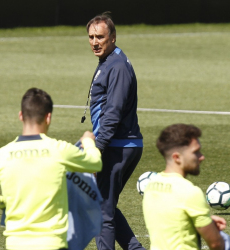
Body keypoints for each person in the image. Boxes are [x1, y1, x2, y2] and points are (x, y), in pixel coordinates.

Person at [0, 88, 102, 250]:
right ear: (48, 117)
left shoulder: (1, 155)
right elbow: (95, 163)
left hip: (15, 244)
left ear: (21, 116)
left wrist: (0, 201)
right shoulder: (59, 150)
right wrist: (88, 141)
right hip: (52, 244)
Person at [85, 12, 144, 250]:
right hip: (120, 144)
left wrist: (98, 148)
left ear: (113, 37)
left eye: (100, 37)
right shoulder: (111, 61)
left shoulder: (117, 66)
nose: (95, 42)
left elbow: (114, 112)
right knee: (105, 204)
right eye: (90, 37)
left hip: (117, 146)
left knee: (101, 210)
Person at [143, 123, 229, 250]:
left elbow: (169, 218)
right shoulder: (190, 192)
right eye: (196, 152)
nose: (202, 157)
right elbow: (216, 244)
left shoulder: (151, 185)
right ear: (177, 157)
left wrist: (204, 220)